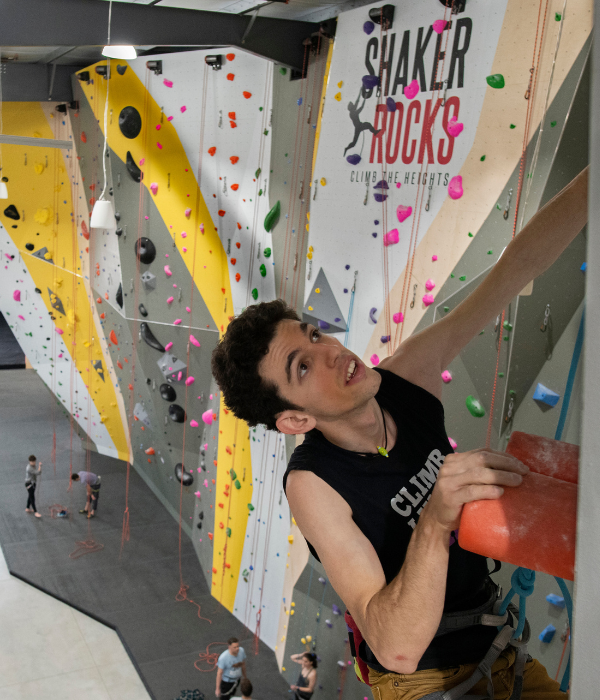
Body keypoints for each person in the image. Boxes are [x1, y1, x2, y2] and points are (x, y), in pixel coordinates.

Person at [210, 167, 588, 700]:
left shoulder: (407, 376)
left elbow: (513, 270)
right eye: (302, 367)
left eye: (315, 335)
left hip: (491, 646)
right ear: (295, 420)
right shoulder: (313, 484)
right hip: (422, 681)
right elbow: (395, 646)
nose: (332, 352)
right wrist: (435, 518)